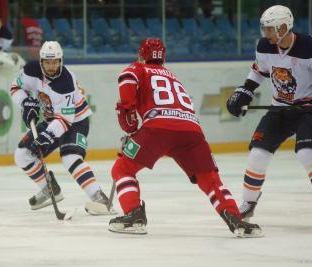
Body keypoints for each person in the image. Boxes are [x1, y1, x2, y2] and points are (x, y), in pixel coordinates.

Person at [108, 38, 263, 237]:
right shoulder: (173, 76)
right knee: (210, 180)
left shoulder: (136, 69)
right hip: (192, 130)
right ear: (163, 58)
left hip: (157, 128)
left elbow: (127, 83)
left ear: (140, 55)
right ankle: (236, 219)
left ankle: (133, 215)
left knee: (122, 169)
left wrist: (130, 126)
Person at [226, 5, 312, 221]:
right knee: (258, 154)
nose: (266, 34)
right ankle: (248, 204)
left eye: (270, 29)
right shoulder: (264, 46)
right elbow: (259, 70)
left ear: (284, 27)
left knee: (308, 153)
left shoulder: (310, 47)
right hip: (280, 108)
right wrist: (246, 90)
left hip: (311, 109)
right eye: (264, 29)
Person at [10, 41, 115, 215]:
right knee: (22, 155)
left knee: (70, 157)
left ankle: (99, 197)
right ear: (41, 61)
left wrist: (47, 136)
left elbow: (65, 120)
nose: (51, 66)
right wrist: (26, 102)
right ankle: (50, 189)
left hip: (75, 121)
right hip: (53, 118)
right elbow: (15, 87)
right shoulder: (30, 70)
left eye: (55, 61)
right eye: (47, 62)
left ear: (61, 60)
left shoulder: (65, 82)